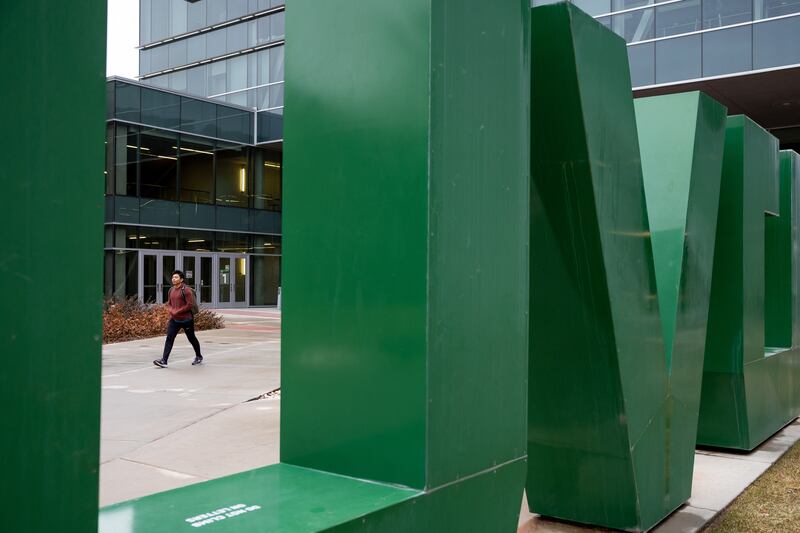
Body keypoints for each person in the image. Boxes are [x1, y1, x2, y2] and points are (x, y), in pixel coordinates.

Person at [153, 270, 204, 368]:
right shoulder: (171, 290)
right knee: (169, 338)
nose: (173, 279)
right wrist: (171, 310)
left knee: (191, 338)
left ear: (181, 279)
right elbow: (169, 303)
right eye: (173, 277)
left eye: (176, 277)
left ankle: (199, 356)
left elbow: (190, 305)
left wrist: (178, 311)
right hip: (174, 319)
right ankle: (164, 361)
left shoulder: (186, 290)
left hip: (186, 320)